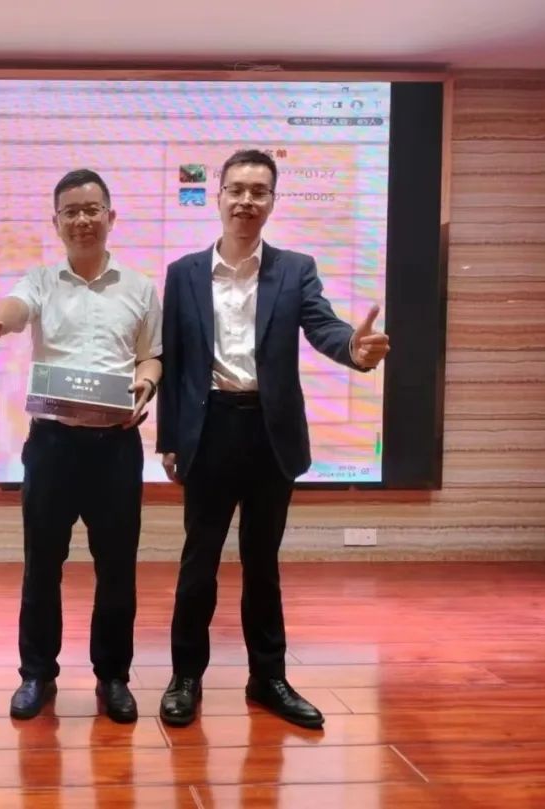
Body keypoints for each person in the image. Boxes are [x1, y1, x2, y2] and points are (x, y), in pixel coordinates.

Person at [156, 149, 389, 729]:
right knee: (198, 562)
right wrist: (169, 439)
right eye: (236, 190)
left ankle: (268, 678)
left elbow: (325, 326)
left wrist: (355, 350)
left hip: (269, 433)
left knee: (263, 564)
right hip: (209, 432)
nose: (246, 201)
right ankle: (186, 677)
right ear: (218, 197)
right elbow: (175, 358)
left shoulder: (295, 268)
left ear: (272, 201)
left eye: (258, 191)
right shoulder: (184, 272)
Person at [0, 169, 162, 723]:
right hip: (52, 445)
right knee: (42, 565)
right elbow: (13, 309)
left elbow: (151, 354)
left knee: (116, 568)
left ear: (110, 216)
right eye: (70, 212)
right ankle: (36, 674)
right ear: (56, 222)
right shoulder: (40, 281)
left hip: (116, 447)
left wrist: (146, 383)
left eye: (91, 209)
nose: (81, 220)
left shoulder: (140, 287)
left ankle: (113, 676)